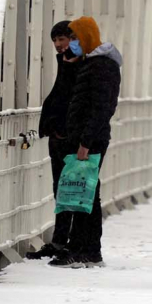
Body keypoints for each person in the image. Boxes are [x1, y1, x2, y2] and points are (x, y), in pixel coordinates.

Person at [49, 16, 122, 269]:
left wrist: (86, 142)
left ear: (87, 37)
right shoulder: (92, 63)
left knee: (87, 194)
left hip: (90, 140)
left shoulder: (102, 66)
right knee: (84, 192)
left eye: (76, 38)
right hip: (82, 138)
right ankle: (81, 247)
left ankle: (87, 250)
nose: (72, 44)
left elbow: (101, 108)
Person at [28, 20, 81, 260]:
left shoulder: (80, 63)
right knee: (61, 189)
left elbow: (71, 97)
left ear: (75, 39)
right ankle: (60, 240)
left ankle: (68, 242)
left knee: (71, 190)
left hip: (70, 137)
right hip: (59, 135)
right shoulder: (65, 62)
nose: (59, 45)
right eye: (55, 41)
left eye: (63, 39)